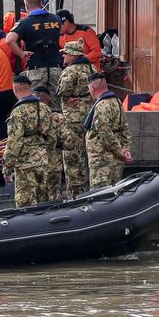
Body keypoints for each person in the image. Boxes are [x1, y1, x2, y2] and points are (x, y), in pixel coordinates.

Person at [5, 0, 63, 110]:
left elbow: (9, 39)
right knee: (57, 104)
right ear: (41, 2)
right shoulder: (56, 19)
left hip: (36, 69)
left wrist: (21, 53)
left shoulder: (25, 22)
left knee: (36, 106)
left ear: (26, 5)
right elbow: (61, 34)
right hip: (56, 68)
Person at [3, 75, 55, 208]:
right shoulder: (44, 108)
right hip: (42, 161)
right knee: (42, 199)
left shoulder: (18, 112)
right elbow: (52, 137)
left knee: (25, 203)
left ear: (14, 88)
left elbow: (14, 142)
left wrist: (7, 169)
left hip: (25, 164)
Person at [57, 39, 96, 198]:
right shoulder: (92, 68)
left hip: (73, 119)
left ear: (73, 54)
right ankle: (91, 191)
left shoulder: (70, 71)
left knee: (73, 157)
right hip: (91, 116)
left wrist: (69, 97)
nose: (63, 56)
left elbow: (62, 90)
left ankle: (76, 195)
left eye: (65, 53)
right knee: (89, 154)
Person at [85, 72, 133, 189]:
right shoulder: (117, 102)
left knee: (99, 195)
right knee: (115, 193)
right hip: (115, 162)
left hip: (102, 162)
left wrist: (121, 152)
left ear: (92, 88)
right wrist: (125, 149)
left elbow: (105, 134)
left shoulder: (101, 105)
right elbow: (125, 129)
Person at [33, 85, 65, 201]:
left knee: (38, 196)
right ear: (49, 99)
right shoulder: (58, 118)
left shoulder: (29, 117)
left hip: (35, 162)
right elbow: (68, 141)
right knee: (55, 195)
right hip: (54, 162)